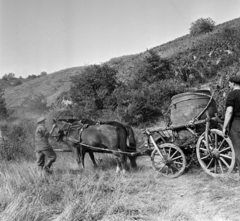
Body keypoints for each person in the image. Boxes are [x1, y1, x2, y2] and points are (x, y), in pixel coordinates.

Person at [222, 72, 240, 176]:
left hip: (236, 125)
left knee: (238, 148)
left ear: (233, 83)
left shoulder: (232, 95)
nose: (229, 85)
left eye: (229, 83)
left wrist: (224, 127)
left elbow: (229, 111)